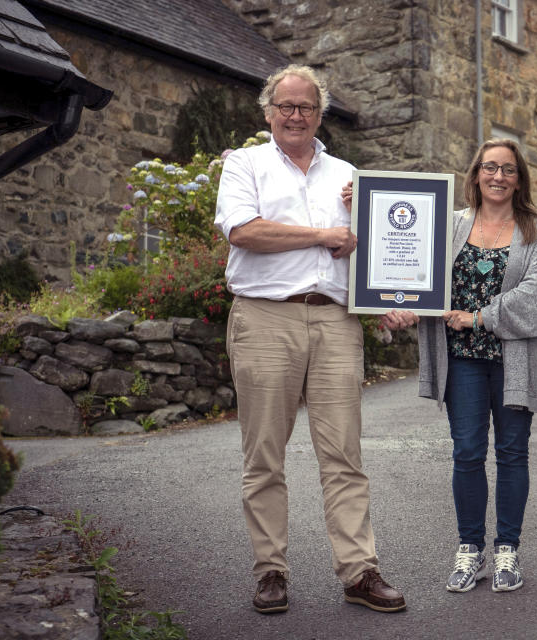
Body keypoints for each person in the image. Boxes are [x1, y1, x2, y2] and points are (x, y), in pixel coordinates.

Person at [214, 64, 405, 614]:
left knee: (344, 453)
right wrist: (326, 234)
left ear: (320, 115)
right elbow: (244, 232)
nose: (296, 116)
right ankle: (270, 571)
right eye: (286, 106)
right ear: (268, 110)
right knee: (264, 456)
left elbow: (371, 245)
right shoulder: (244, 165)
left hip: (335, 322)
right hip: (264, 318)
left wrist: (389, 294)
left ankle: (359, 571)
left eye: (307, 108)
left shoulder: (346, 173)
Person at [379, 139, 537, 593]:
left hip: (514, 360)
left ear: (520, 179)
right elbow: (419, 274)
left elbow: (534, 302)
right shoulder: (449, 224)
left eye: (509, 170)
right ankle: (470, 550)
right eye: (490, 168)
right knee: (468, 453)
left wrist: (478, 317)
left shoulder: (536, 230)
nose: (499, 177)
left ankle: (507, 552)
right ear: (475, 173)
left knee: (513, 454)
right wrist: (402, 304)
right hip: (463, 361)